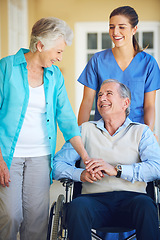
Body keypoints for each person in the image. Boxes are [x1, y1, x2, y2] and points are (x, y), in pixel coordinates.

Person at [0, 17, 91, 240]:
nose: (60, 58)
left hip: (40, 155)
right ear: (40, 45)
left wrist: (85, 156)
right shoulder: (6, 68)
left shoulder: (54, 76)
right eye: (58, 52)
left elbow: (67, 119)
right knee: (10, 215)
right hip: (8, 156)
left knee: (36, 220)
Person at [53, 79, 160, 240]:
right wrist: (80, 174)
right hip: (93, 201)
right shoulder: (85, 130)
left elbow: (156, 167)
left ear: (126, 102)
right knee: (77, 207)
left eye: (109, 94)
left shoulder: (141, 132)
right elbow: (56, 165)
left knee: (146, 206)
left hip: (133, 200)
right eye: (100, 95)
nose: (101, 98)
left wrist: (117, 170)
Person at [77, 6, 160, 133]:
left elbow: (149, 106)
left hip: (136, 134)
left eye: (121, 27)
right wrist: (81, 136)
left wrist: (148, 135)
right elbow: (87, 103)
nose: (115, 32)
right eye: (111, 27)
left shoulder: (148, 63)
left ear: (134, 29)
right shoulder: (97, 61)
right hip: (103, 134)